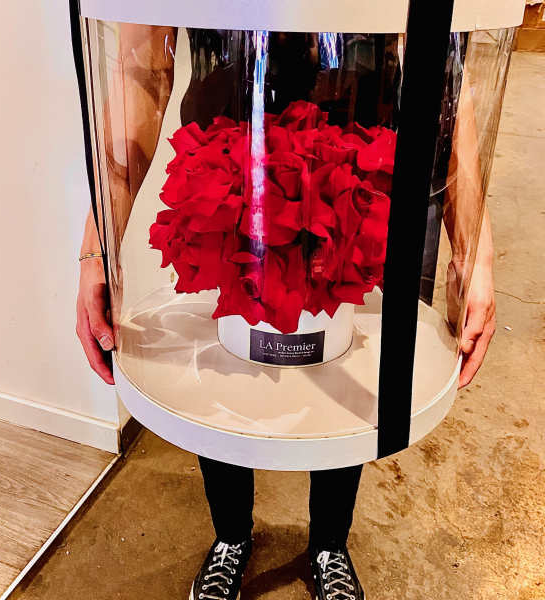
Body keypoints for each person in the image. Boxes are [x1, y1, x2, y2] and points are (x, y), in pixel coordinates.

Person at [76, 26, 496, 600]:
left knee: (351, 379)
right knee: (225, 373)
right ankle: (232, 534)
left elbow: (443, 63)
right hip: (230, 159)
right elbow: (140, 64)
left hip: (365, 159)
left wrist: (476, 250)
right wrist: (97, 245)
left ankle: (329, 542)